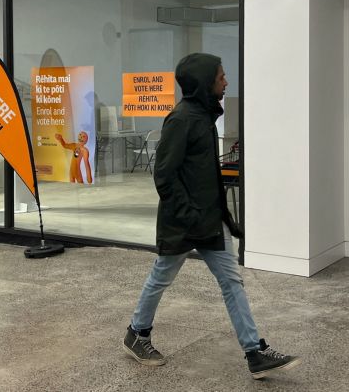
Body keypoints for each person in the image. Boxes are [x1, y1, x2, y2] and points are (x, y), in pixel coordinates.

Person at [123, 53, 300, 379]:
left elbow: (206, 175)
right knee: (161, 277)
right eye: (221, 76)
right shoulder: (182, 120)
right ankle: (137, 332)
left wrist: (223, 216)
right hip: (184, 221)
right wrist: (190, 214)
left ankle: (254, 352)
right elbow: (163, 174)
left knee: (232, 281)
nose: (226, 81)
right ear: (206, 82)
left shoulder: (203, 117)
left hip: (208, 220)